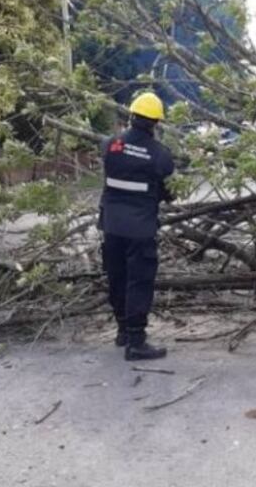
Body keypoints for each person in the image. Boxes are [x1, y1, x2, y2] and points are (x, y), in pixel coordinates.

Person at [99, 92, 175, 361]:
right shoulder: (160, 154)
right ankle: (136, 342)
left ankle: (122, 330)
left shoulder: (111, 145)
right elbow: (170, 191)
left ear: (130, 116)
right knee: (139, 282)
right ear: (156, 122)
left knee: (116, 277)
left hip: (111, 225)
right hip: (140, 229)